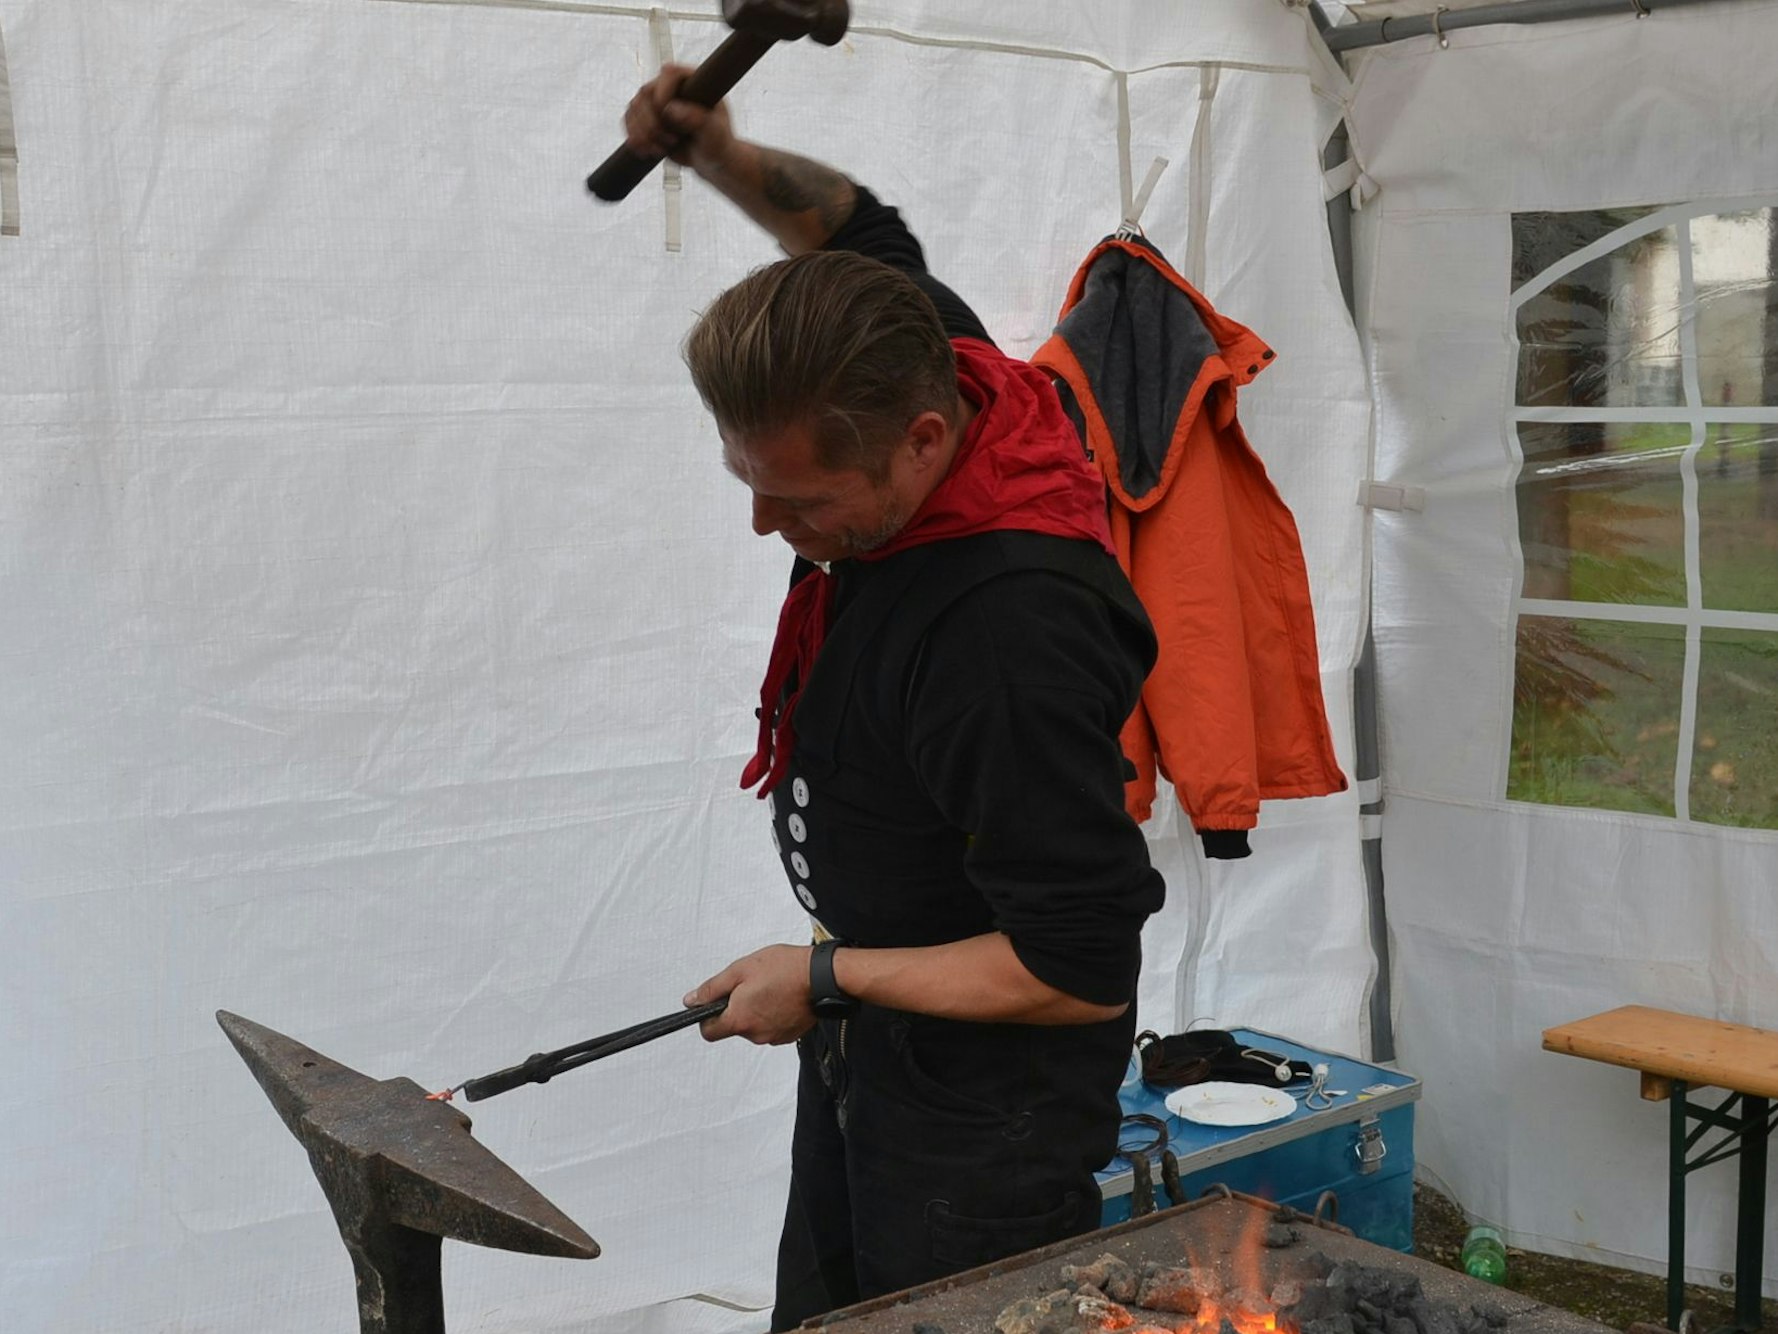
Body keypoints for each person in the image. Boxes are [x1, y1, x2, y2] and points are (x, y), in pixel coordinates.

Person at [623, 70, 1166, 1330]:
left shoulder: (1004, 637)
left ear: (925, 440)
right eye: (747, 481)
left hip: (986, 1122)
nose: (766, 526)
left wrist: (823, 971)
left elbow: (1077, 964)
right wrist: (715, 148)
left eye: (802, 500)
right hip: (874, 1039)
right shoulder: (929, 351)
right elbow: (859, 235)